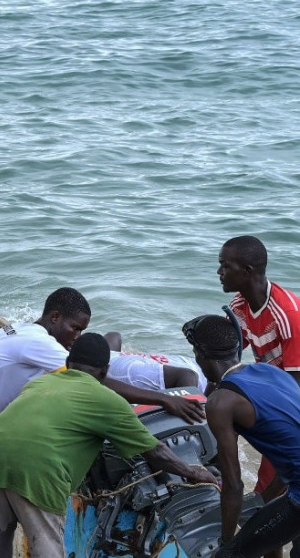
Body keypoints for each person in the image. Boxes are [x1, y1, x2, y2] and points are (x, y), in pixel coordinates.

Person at [0, 287, 203, 558]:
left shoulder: (22, 331)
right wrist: (163, 399)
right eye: (75, 328)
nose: (76, 336)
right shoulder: (43, 345)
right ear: (55, 318)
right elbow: (99, 382)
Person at [0, 333, 216, 558]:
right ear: (104, 371)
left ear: (68, 361)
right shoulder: (107, 399)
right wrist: (193, 472)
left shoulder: (40, 384)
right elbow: (155, 451)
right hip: (36, 469)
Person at [185, 313, 300, 557]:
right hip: (295, 487)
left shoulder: (221, 402)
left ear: (201, 356)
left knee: (234, 553)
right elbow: (290, 442)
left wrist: (226, 543)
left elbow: (233, 485)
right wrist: (264, 500)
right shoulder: (273, 372)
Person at [218, 235, 300, 510]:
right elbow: (227, 363)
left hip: (289, 399)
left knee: (269, 498)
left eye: (225, 266)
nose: (219, 273)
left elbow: (295, 387)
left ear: (248, 271)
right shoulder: (239, 308)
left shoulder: (287, 314)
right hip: (275, 392)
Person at [103, 331, 208, 393]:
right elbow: (113, 335)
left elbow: (188, 375)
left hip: (203, 380)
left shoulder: (128, 372)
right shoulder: (107, 353)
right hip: (197, 362)